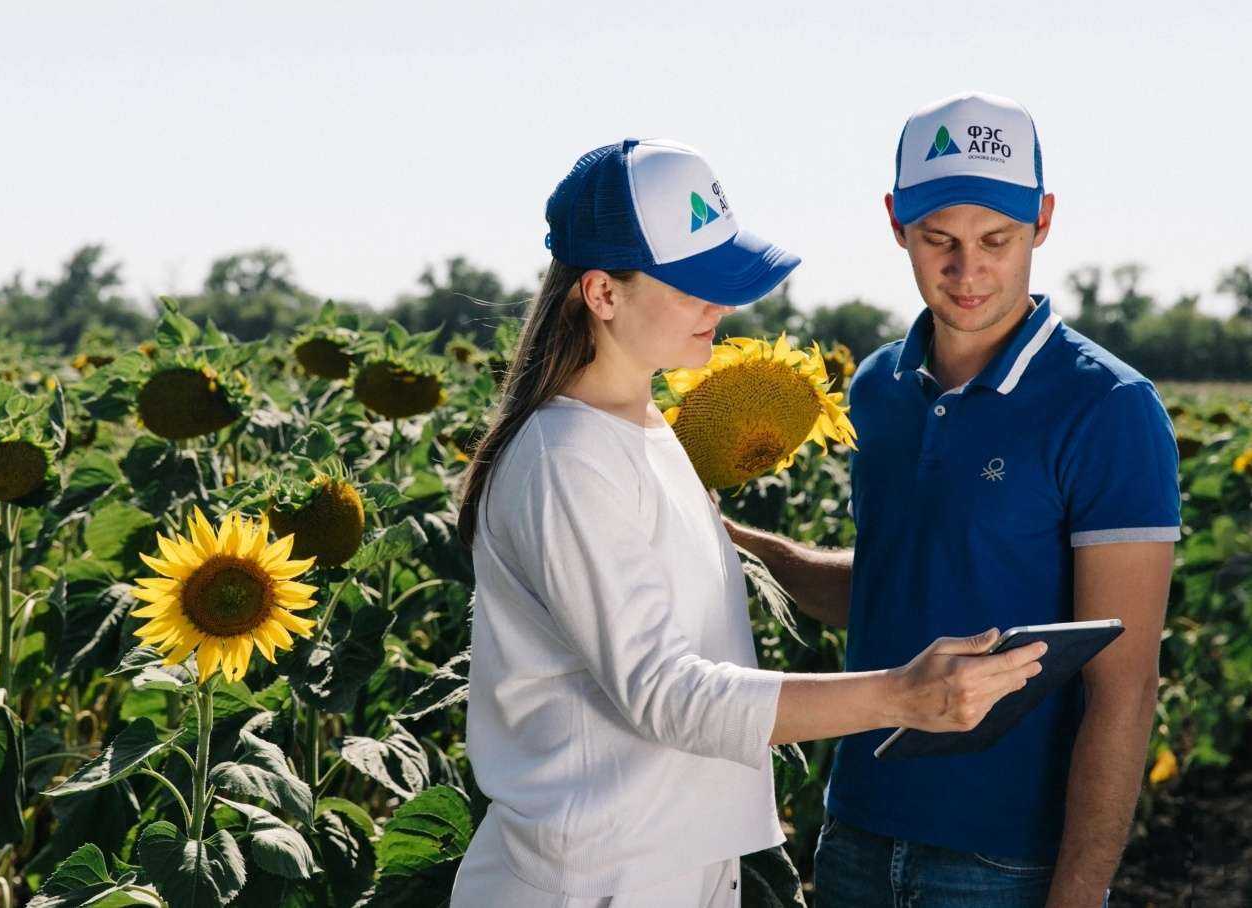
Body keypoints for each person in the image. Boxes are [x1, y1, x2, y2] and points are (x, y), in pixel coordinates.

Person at [449, 137, 1046, 907]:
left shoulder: (643, 430)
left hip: (669, 860)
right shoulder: (566, 457)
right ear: (602, 294)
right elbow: (666, 693)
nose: (722, 307)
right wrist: (901, 696)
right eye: (694, 285)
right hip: (594, 878)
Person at [723, 91, 1181, 907]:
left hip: (1007, 863)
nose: (968, 272)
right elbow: (891, 593)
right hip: (855, 834)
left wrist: (1078, 894)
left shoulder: (1110, 408)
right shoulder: (876, 388)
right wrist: (747, 546)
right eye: (940, 240)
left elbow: (1123, 687)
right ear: (896, 223)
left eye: (996, 240)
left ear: (1042, 222)